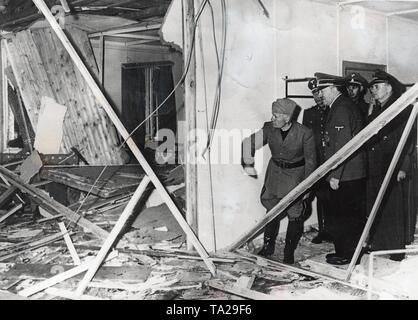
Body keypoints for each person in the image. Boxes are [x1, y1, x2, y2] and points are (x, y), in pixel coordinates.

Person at [241, 98, 316, 264]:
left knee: (295, 214)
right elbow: (249, 142)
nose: (272, 118)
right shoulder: (269, 128)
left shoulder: (305, 133)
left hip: (296, 176)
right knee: (271, 210)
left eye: (276, 116)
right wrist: (247, 162)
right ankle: (268, 247)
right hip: (275, 174)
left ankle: (288, 253)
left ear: (287, 118)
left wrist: (307, 188)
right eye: (272, 115)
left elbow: (311, 162)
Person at [315, 72, 367, 265]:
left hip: (346, 174)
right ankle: (346, 251)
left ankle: (346, 254)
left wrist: (335, 175)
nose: (320, 95)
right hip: (349, 173)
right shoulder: (340, 106)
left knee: (344, 216)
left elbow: (342, 147)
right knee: (346, 215)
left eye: (323, 90)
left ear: (333, 88)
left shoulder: (341, 109)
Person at [366, 70, 414, 261]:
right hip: (376, 165)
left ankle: (395, 250)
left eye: (376, 87)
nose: (373, 91)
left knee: (393, 208)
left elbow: (409, 140)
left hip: (393, 165)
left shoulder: (402, 109)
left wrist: (403, 166)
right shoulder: (378, 108)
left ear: (389, 88)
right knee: (378, 205)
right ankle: (379, 244)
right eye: (372, 88)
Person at [302, 78, 333, 244]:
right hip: (316, 164)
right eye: (315, 93)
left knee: (334, 198)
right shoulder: (309, 114)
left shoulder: (334, 111)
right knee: (320, 197)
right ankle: (323, 231)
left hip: (333, 162)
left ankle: (335, 231)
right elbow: (304, 140)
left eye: (320, 92)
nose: (318, 96)